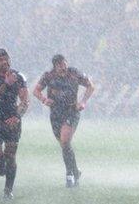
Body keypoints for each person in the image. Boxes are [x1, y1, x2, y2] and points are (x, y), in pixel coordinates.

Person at [33, 54, 94, 188]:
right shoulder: (48, 76)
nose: (63, 67)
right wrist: (44, 99)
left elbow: (90, 86)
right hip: (55, 113)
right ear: (55, 67)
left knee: (65, 140)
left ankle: (69, 174)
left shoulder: (74, 73)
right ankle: (76, 171)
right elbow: (36, 90)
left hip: (71, 111)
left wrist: (83, 101)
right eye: (60, 65)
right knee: (64, 145)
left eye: (64, 63)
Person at [0, 49, 29, 199]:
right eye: (1, 60)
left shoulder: (19, 76)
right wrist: (5, 84)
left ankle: (8, 191)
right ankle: (0, 162)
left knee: (11, 157)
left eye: (6, 59)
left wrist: (17, 116)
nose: (5, 62)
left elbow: (25, 100)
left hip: (12, 121)